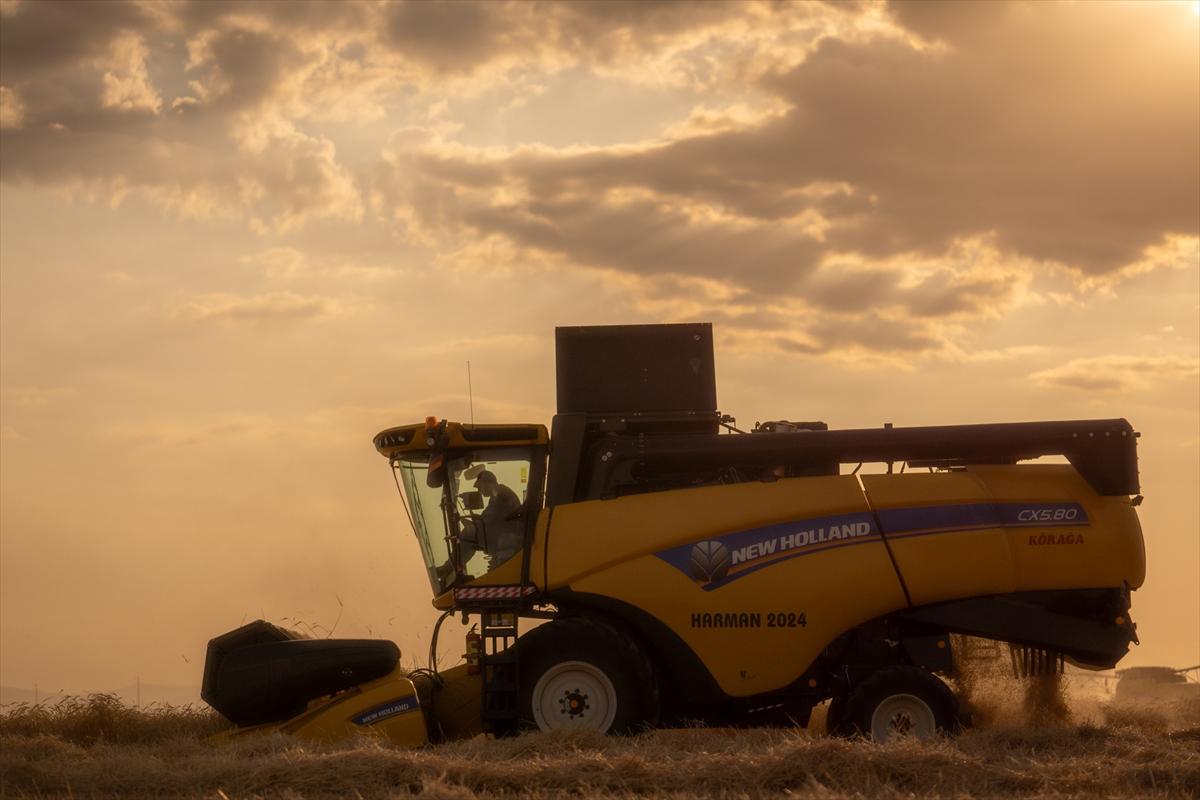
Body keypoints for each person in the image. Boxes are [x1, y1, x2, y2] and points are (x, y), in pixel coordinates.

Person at [474, 470, 524, 568]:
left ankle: (450, 568)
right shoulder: (498, 494)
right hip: (504, 537)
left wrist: (474, 523)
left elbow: (487, 518)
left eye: (480, 487)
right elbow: (488, 516)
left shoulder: (500, 495)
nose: (480, 491)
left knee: (468, 533)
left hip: (507, 539)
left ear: (487, 483)